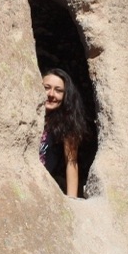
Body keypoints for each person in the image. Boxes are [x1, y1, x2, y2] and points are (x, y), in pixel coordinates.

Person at [39, 68, 89, 197]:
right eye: (46, 87)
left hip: (41, 187)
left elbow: (71, 162)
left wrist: (71, 200)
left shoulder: (66, 125)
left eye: (58, 90)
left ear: (65, 95)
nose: (51, 94)